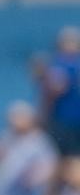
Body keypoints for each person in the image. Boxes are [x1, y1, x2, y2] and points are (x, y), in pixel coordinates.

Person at [40, 27, 80, 156]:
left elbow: (53, 91)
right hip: (65, 119)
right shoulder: (59, 63)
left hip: (65, 120)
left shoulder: (57, 63)